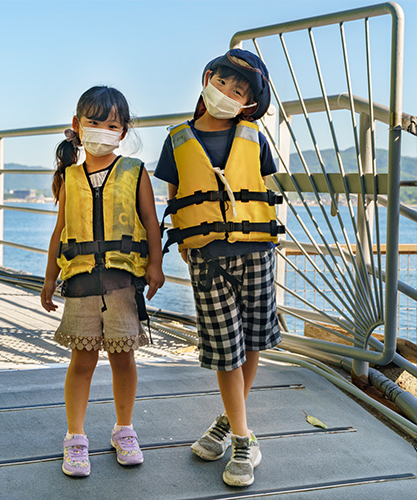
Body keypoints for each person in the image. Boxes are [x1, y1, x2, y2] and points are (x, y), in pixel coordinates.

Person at [154, 49, 283, 487]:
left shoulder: (254, 137)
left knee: (251, 345)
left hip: (256, 253)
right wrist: (186, 240)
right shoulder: (176, 139)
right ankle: (245, 441)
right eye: (224, 83)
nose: (228, 93)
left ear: (248, 102)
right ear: (208, 79)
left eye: (239, 90)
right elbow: (175, 195)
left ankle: (230, 424)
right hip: (208, 260)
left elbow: (264, 186)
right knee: (226, 351)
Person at [41, 86, 164, 477]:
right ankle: (75, 438)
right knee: (82, 360)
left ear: (123, 132)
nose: (102, 130)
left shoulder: (135, 171)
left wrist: (156, 266)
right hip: (79, 284)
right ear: (77, 125)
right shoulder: (70, 177)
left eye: (112, 124)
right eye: (93, 122)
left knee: (123, 357)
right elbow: (60, 231)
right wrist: (48, 279)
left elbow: (150, 222)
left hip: (123, 283)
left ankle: (124, 429)